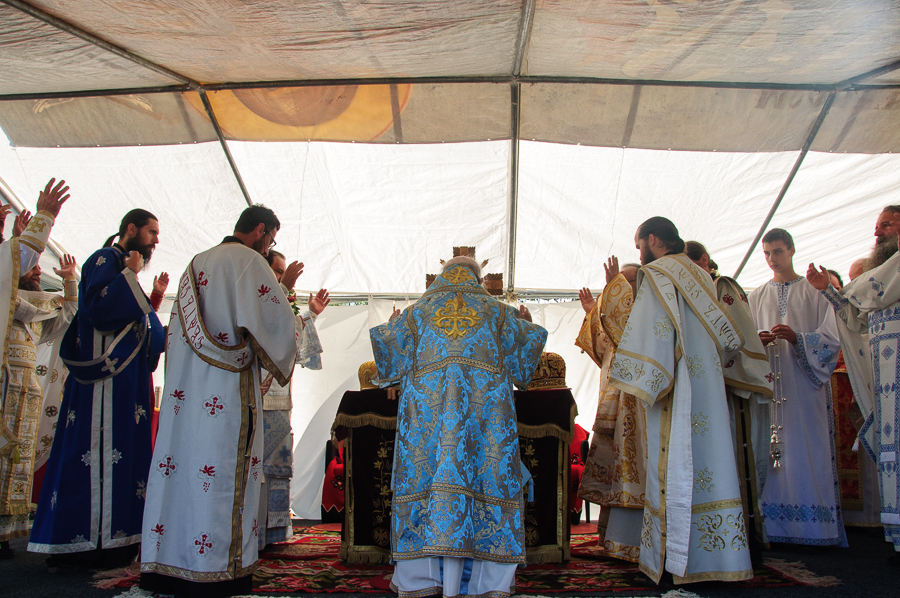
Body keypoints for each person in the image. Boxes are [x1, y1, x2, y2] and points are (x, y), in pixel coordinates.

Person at [140, 205, 326, 597]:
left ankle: (169, 562)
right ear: (259, 230)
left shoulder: (196, 264)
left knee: (183, 468)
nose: (269, 246)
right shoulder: (249, 262)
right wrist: (295, 316)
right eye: (271, 239)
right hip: (226, 395)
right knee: (222, 474)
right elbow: (277, 328)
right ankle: (217, 568)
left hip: (186, 394)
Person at [370, 257, 547, 598]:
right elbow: (528, 356)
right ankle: (484, 584)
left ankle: (423, 580)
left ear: (442, 275)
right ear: (478, 278)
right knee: (487, 486)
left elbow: (386, 358)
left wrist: (394, 325)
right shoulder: (498, 313)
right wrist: (525, 325)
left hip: (429, 432)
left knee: (428, 487)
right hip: (484, 430)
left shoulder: (416, 314)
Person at [608, 217, 751, 583]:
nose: (639, 252)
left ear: (653, 239)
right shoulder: (700, 274)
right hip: (708, 387)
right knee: (710, 461)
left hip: (678, 387)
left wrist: (642, 380)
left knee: (675, 465)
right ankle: (715, 561)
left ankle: (673, 563)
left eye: (639, 244)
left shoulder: (657, 274)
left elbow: (653, 335)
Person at [28, 208, 166, 567]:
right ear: (131, 229)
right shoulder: (106, 258)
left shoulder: (123, 266)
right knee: (94, 453)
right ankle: (86, 544)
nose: (155, 240)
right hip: (102, 386)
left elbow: (143, 325)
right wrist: (130, 274)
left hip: (126, 383)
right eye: (151, 232)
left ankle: (118, 540)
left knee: (124, 454)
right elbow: (99, 312)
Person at [807, 207, 900, 554]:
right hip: (886, 383)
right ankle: (895, 537)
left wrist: (844, 290)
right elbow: (856, 319)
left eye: (886, 225)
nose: (877, 233)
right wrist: (829, 292)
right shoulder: (881, 273)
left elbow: (870, 290)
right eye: (876, 227)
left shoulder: (886, 273)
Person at [747, 228, 846, 548]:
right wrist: (758, 342)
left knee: (806, 448)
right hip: (770, 386)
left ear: (791, 250)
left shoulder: (814, 292)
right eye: (766, 253)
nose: (771, 259)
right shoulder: (755, 296)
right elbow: (744, 342)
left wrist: (798, 339)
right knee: (770, 452)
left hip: (804, 385)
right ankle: (772, 526)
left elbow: (832, 338)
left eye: (777, 251)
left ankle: (813, 529)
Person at [685, 241, 773, 558]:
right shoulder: (692, 291)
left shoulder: (722, 287)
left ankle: (747, 537)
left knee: (741, 459)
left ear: (704, 261)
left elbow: (735, 336)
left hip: (736, 385)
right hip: (709, 388)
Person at [0, 181, 71, 558]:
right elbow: (11, 264)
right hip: (4, 382)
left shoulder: (34, 308)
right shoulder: (10, 296)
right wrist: (44, 217)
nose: (34, 271)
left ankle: (5, 532)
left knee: (18, 459)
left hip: (25, 387)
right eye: (29, 268)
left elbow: (65, 317)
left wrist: (70, 281)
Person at [575, 257, 647, 563]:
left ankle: (635, 539)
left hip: (638, 406)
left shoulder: (649, 312)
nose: (619, 286)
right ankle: (611, 536)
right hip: (613, 404)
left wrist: (606, 305)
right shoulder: (614, 316)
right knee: (614, 468)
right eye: (618, 282)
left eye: (625, 281)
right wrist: (594, 314)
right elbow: (601, 351)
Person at [258, 248, 328, 548]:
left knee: (277, 466)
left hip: (279, 401)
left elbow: (292, 343)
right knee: (255, 468)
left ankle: (272, 531)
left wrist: (310, 315)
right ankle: (252, 534)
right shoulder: (255, 300)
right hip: (254, 399)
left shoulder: (281, 305)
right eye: (278, 271)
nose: (284, 277)